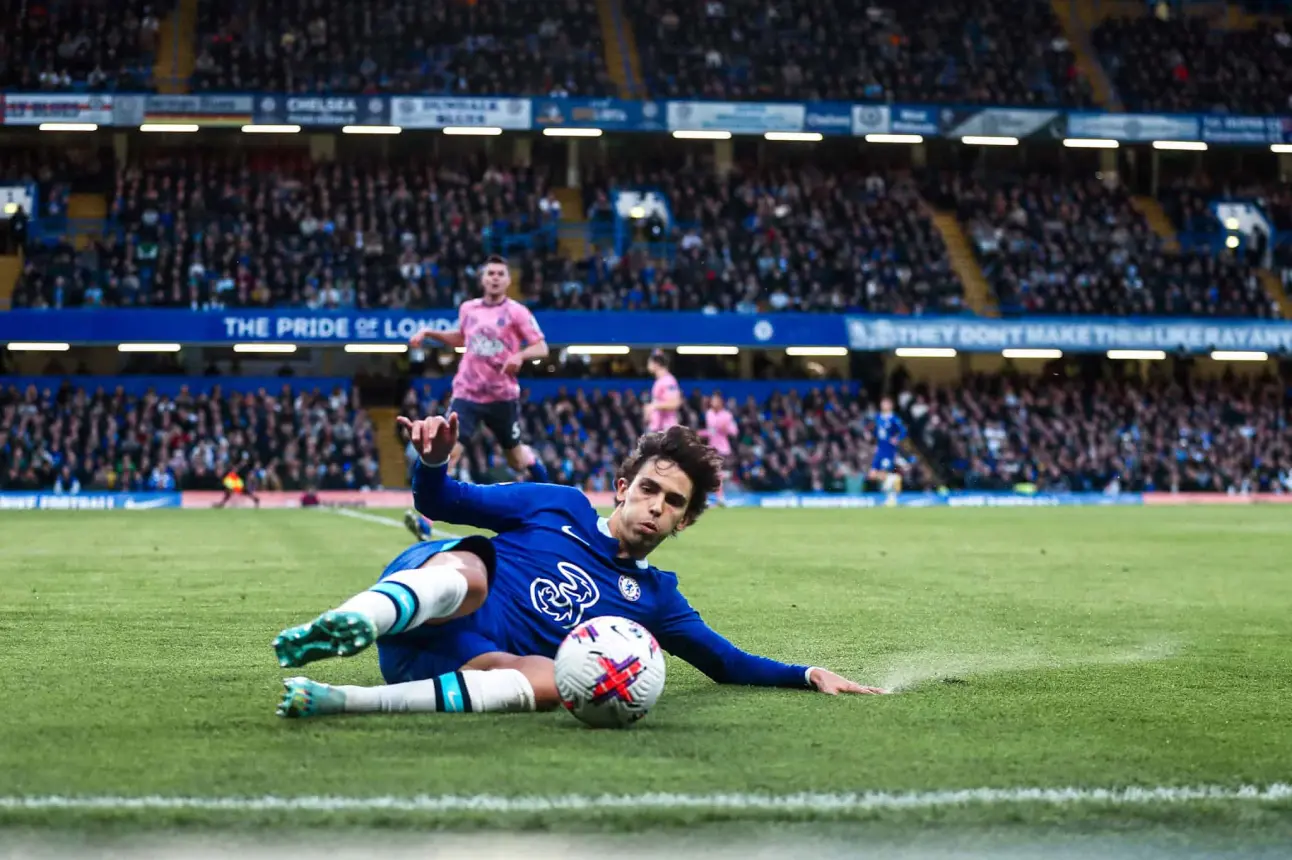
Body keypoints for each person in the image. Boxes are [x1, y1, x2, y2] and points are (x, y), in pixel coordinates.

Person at [274, 415, 885, 719]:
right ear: (622, 487)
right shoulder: (557, 504)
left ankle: (342, 699)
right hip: (426, 596)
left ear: (684, 522)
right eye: (649, 489)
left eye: (673, 503)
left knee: (552, 680)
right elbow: (443, 503)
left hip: (452, 664)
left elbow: (726, 663)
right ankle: (351, 619)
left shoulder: (657, 599)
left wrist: (806, 674)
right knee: (477, 565)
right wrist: (432, 463)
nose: (656, 506)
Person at [403, 255, 550, 543]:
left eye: (500, 273)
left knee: (517, 459)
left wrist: (520, 355)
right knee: (448, 452)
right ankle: (426, 521)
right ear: (482, 279)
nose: (495, 277)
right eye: (490, 273)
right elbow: (462, 338)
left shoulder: (517, 312)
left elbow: (541, 346)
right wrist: (431, 333)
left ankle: (552, 500)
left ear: (508, 280)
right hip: (467, 393)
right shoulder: (468, 309)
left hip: (502, 396)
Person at [867, 397, 907, 506]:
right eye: (882, 403)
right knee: (872, 474)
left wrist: (897, 439)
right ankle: (894, 478)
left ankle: (891, 499)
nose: (883, 405)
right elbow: (876, 432)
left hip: (889, 450)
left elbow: (903, 431)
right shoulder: (878, 417)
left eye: (885, 404)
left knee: (884, 474)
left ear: (890, 405)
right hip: (880, 449)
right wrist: (872, 440)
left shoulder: (894, 418)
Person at [700, 393, 738, 506]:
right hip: (712, 448)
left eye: (715, 401)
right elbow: (711, 431)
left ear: (721, 403)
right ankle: (714, 497)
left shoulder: (727, 415)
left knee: (716, 473)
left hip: (723, 449)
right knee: (711, 473)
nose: (713, 403)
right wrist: (700, 433)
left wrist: (725, 428)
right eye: (712, 401)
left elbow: (734, 431)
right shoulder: (709, 414)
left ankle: (717, 497)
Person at [643, 350, 681, 433]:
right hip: (657, 429)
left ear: (657, 364)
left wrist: (654, 406)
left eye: (650, 361)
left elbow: (675, 403)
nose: (648, 364)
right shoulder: (659, 381)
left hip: (666, 431)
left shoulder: (669, 380)